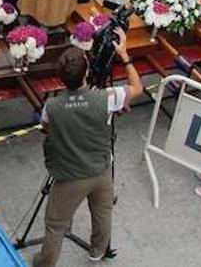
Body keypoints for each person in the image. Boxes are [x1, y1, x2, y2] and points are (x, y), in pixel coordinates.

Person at [34, 33, 143, 266]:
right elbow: (137, 87)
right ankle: (97, 252)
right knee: (102, 214)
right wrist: (124, 55)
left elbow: (46, 127)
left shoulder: (51, 106)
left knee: (55, 225)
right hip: (101, 170)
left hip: (69, 176)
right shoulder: (107, 98)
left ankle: (45, 263)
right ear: (86, 73)